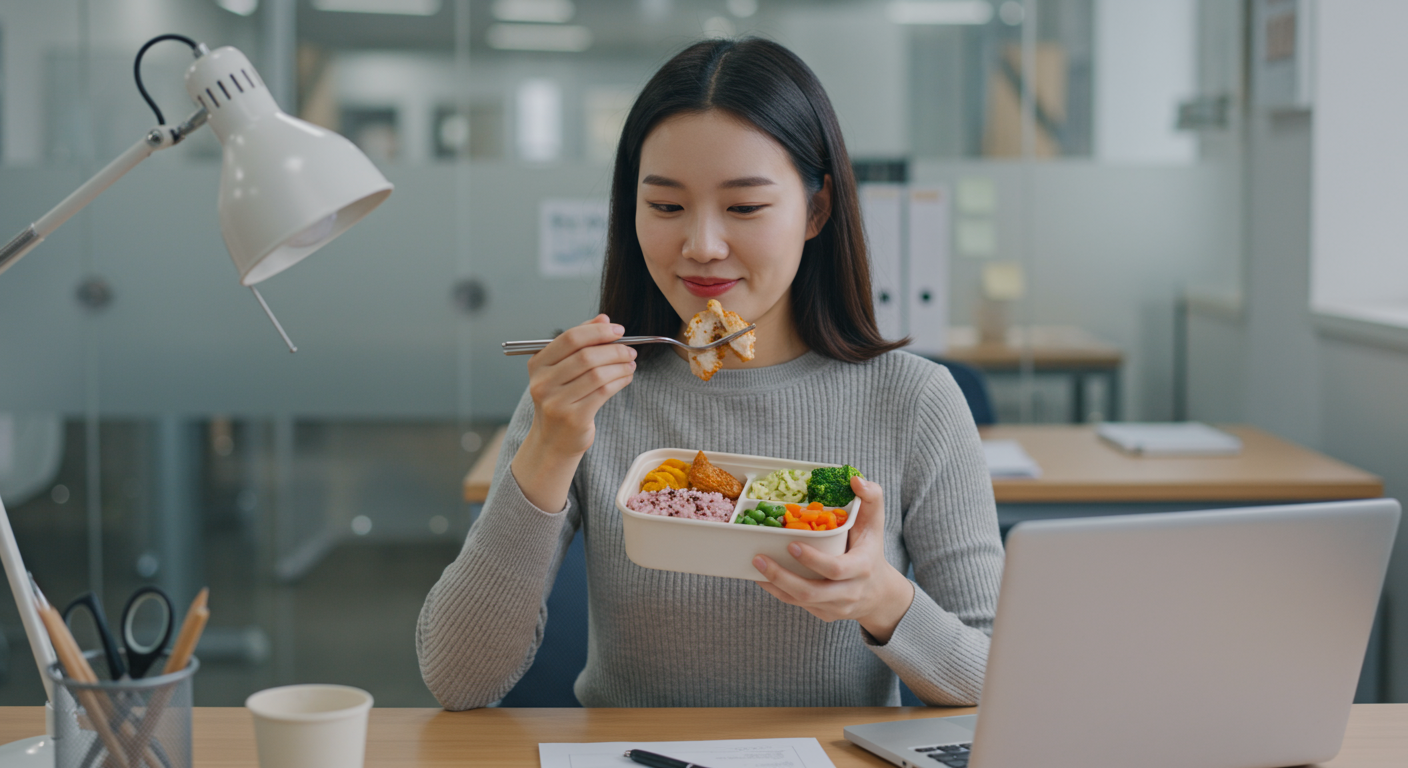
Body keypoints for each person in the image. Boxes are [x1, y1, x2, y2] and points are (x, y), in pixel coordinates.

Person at [417, 37, 1003, 709]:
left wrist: (882, 599)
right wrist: (548, 449)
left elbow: (998, 680)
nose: (700, 246)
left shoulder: (915, 401)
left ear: (816, 211)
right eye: (666, 207)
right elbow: (457, 680)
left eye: (744, 208)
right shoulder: (583, 399)